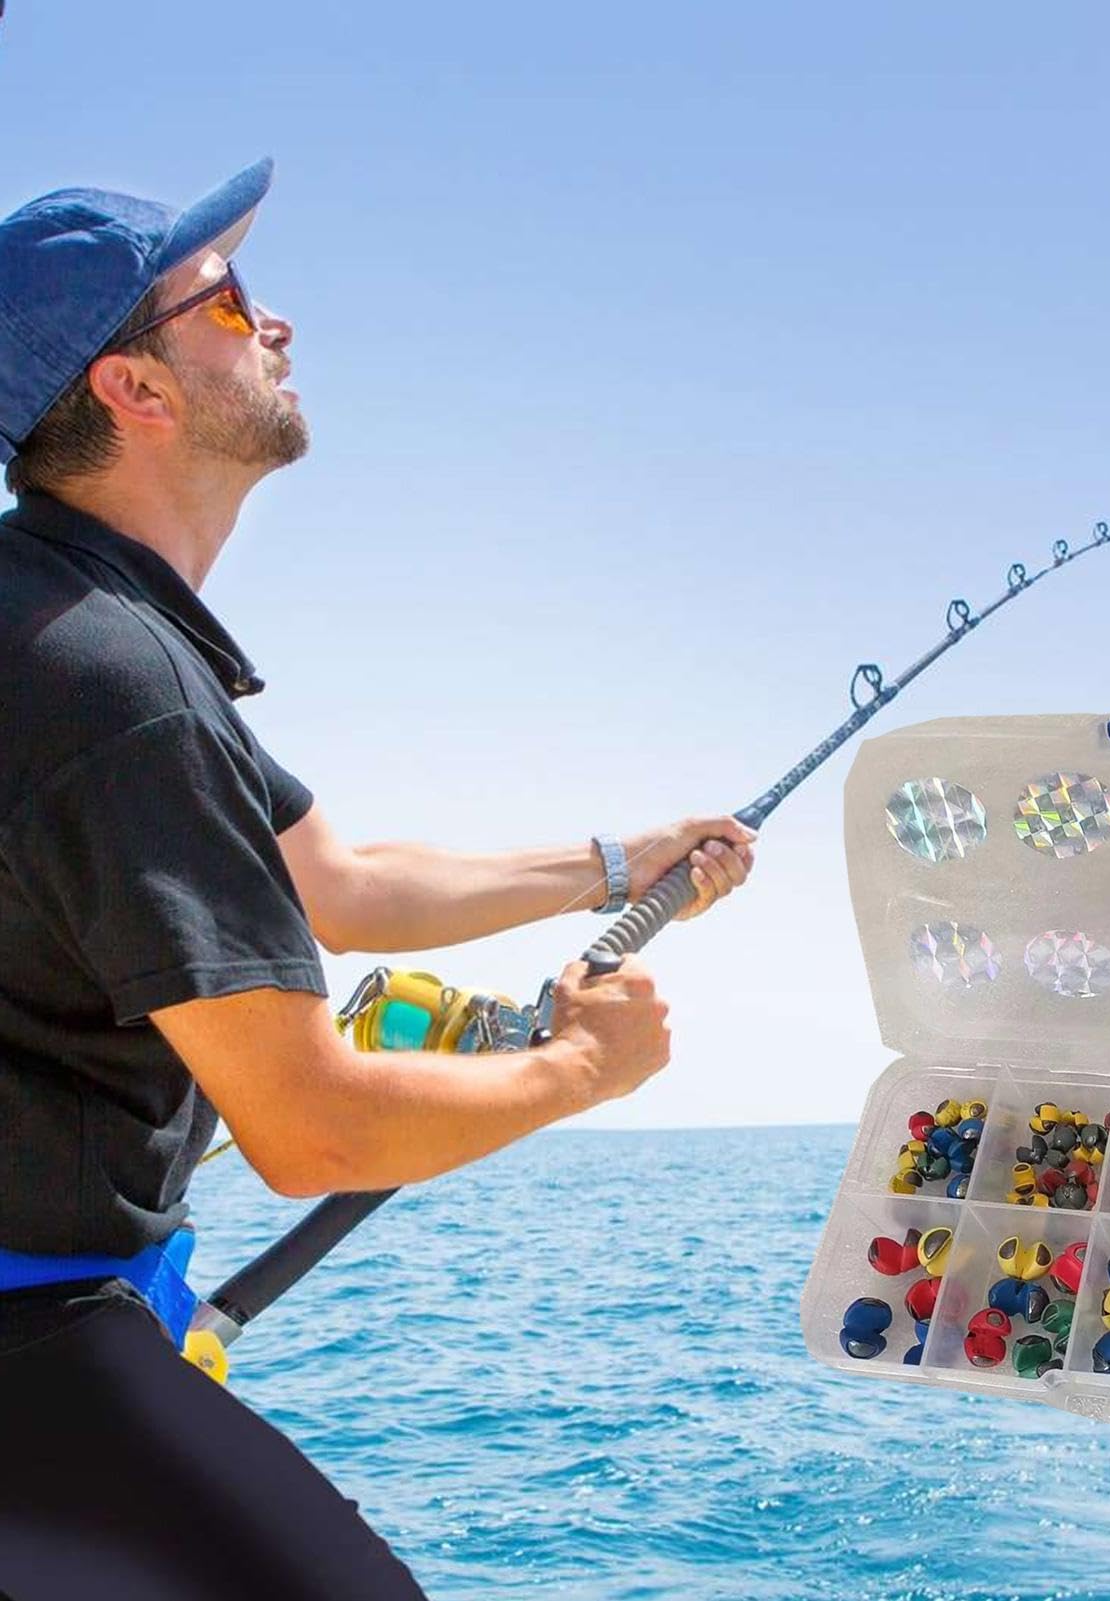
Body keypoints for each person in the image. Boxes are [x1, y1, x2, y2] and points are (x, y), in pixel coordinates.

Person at [0, 158, 756, 1601]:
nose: (274, 321)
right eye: (226, 301)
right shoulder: (116, 689)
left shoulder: (64, 622)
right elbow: (314, 1129)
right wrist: (583, 1069)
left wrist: (619, 863)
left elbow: (336, 882)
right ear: (133, 389)